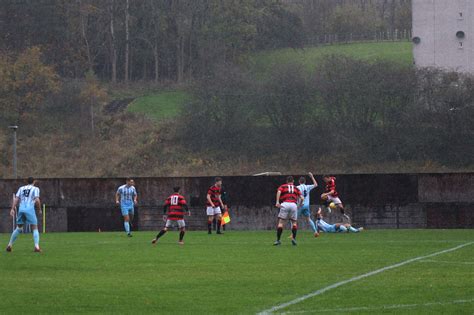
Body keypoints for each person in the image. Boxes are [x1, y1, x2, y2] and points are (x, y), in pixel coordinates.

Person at [6, 177, 42, 252]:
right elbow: (37, 200)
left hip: (21, 209)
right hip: (30, 209)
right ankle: (37, 247)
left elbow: (16, 199)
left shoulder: (21, 188)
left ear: (26, 181)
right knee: (35, 227)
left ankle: (9, 245)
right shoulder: (36, 189)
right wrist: (39, 209)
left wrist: (12, 208)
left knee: (19, 228)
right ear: (34, 181)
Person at [274, 176, 304, 246]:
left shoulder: (283, 186)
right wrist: (299, 205)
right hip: (293, 205)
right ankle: (293, 239)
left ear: (287, 181)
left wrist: (277, 202)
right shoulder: (296, 188)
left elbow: (279, 191)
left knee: (281, 223)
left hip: (285, 204)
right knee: (294, 223)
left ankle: (278, 240)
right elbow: (302, 198)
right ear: (293, 181)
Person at [297, 172, 318, 236]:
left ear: (299, 181)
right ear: (305, 181)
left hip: (300, 205)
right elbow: (315, 184)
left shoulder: (297, 187)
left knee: (294, 220)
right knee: (308, 219)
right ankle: (315, 231)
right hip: (306, 205)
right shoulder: (307, 187)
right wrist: (312, 176)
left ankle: (293, 234)